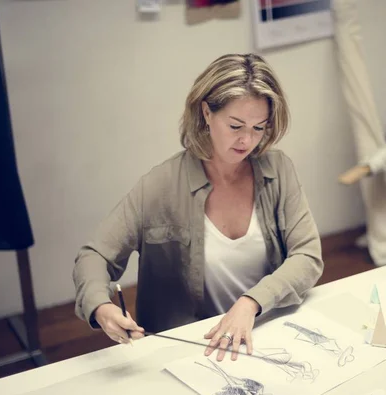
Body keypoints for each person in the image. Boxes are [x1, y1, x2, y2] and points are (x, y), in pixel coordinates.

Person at [72, 53, 324, 362]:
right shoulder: (160, 184)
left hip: (264, 334)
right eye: (236, 126)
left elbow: (308, 256)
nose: (247, 140)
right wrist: (101, 307)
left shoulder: (279, 169)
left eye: (259, 128)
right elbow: (94, 256)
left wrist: (250, 303)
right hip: (191, 351)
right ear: (206, 112)